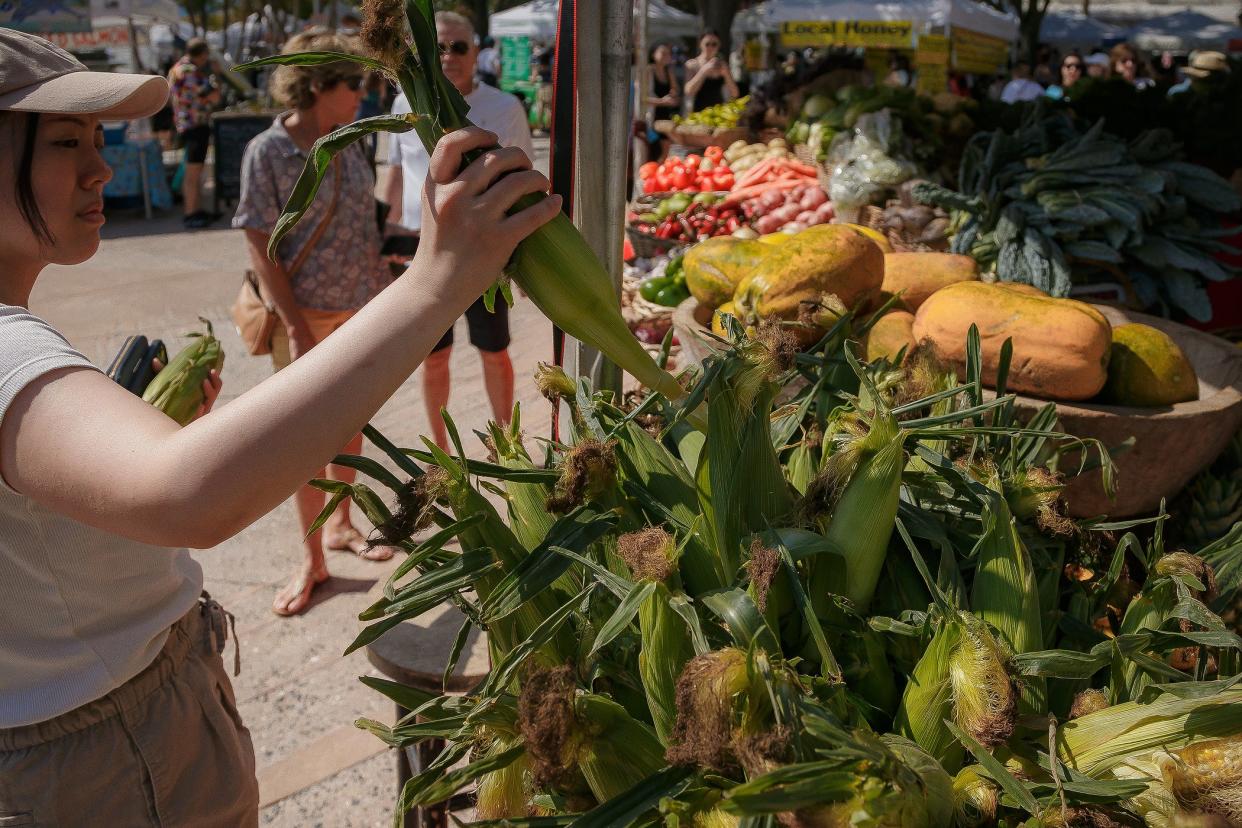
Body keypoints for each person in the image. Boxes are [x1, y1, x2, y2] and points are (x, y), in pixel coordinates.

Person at [0, 29, 558, 823]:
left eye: (97, 138)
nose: (99, 167)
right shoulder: (7, 347)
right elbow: (186, 495)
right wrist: (438, 281)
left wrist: (140, 434)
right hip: (109, 759)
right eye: (63, 141)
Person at [232, 29, 401, 616]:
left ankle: (341, 525)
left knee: (348, 424)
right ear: (317, 85)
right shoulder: (269, 151)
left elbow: (361, 226)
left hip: (358, 310)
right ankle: (313, 560)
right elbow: (259, 241)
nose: (362, 93)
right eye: (352, 83)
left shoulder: (350, 142)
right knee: (304, 443)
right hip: (303, 317)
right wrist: (297, 326)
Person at [385, 12, 533, 453]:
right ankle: (440, 451)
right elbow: (396, 174)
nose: (448, 56)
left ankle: (508, 446)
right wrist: (388, 235)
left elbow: (523, 179)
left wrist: (523, 257)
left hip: (482, 248)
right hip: (418, 247)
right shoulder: (402, 105)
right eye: (438, 47)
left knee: (494, 351)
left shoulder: (504, 107)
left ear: (476, 51)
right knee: (433, 357)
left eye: (459, 47)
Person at [167, 37, 220, 229]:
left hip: (186, 125)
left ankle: (195, 210)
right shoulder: (191, 72)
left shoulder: (177, 68)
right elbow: (213, 96)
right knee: (193, 172)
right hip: (195, 125)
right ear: (203, 54)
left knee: (194, 171)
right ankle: (191, 213)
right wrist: (215, 75)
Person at [683, 30, 738, 113]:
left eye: (714, 44)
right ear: (700, 44)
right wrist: (704, 71)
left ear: (719, 45)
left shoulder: (722, 65)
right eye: (707, 44)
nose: (710, 47)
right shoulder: (692, 64)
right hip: (698, 113)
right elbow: (688, 91)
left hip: (719, 113)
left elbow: (735, 93)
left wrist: (726, 74)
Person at [647, 43, 680, 161]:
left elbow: (675, 92)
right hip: (650, 118)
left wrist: (673, 96)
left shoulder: (669, 72)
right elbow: (641, 98)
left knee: (665, 151)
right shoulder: (648, 71)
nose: (667, 56)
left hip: (665, 117)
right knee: (652, 151)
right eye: (663, 53)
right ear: (653, 54)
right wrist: (662, 102)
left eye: (669, 53)